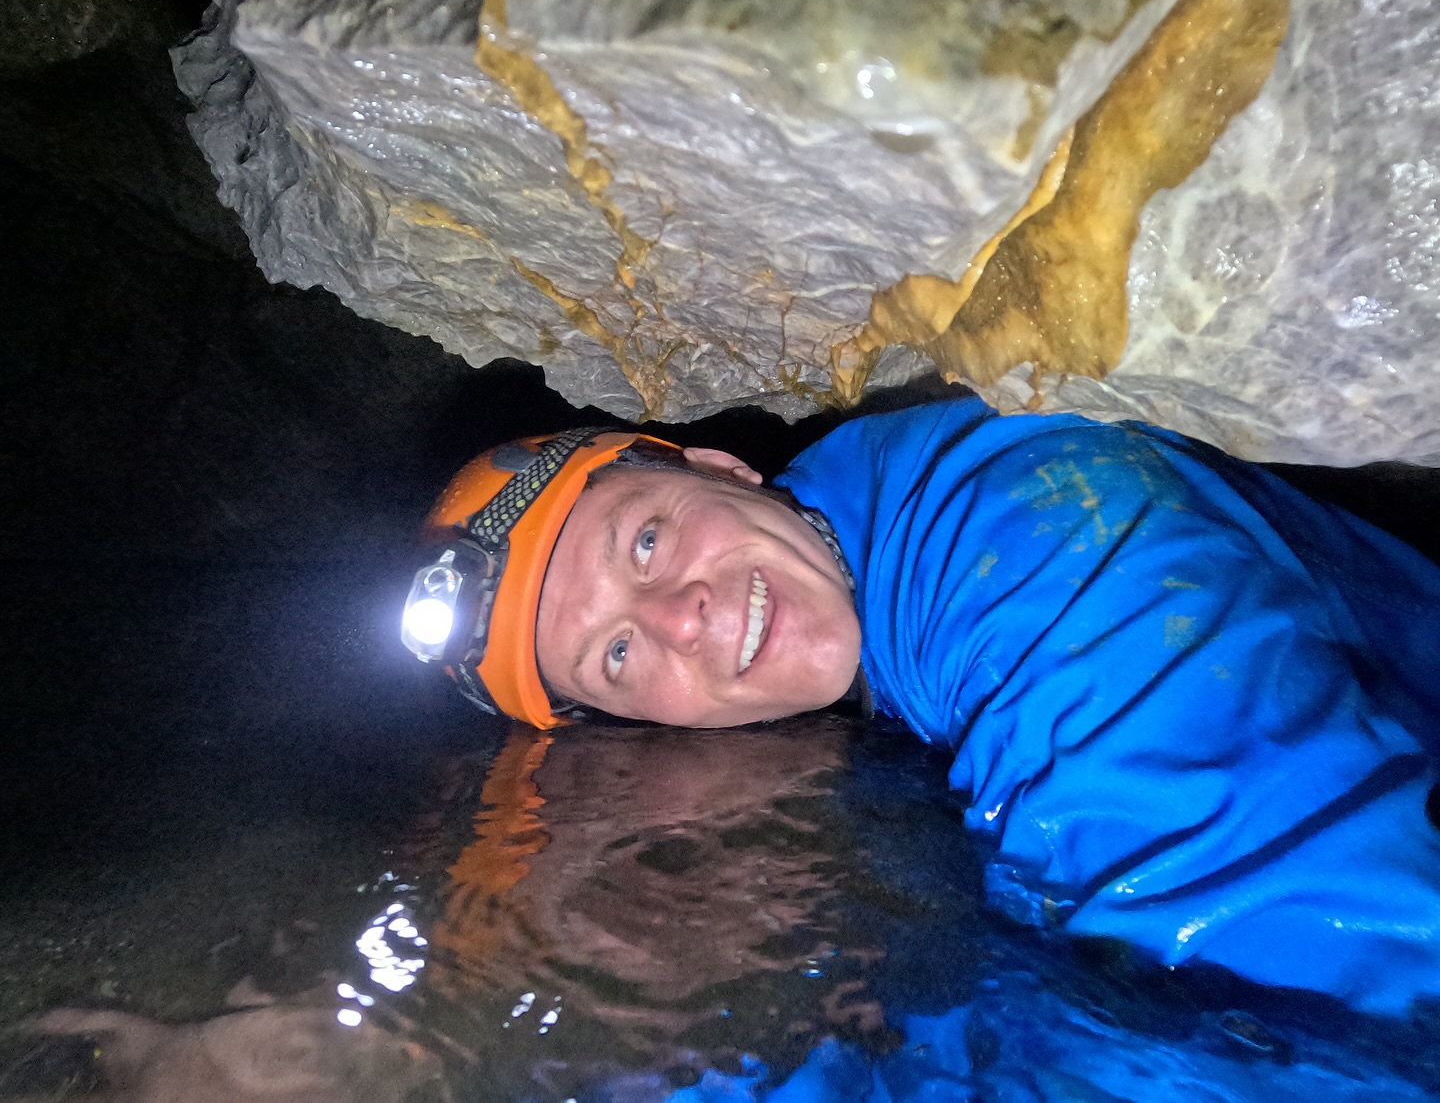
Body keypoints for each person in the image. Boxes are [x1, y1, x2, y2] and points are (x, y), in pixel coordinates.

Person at [399, 397, 1440, 1015]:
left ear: (722, 466)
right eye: (615, 652)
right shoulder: (869, 550)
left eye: (648, 540)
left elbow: (1340, 963)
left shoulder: (1021, 527)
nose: (682, 615)